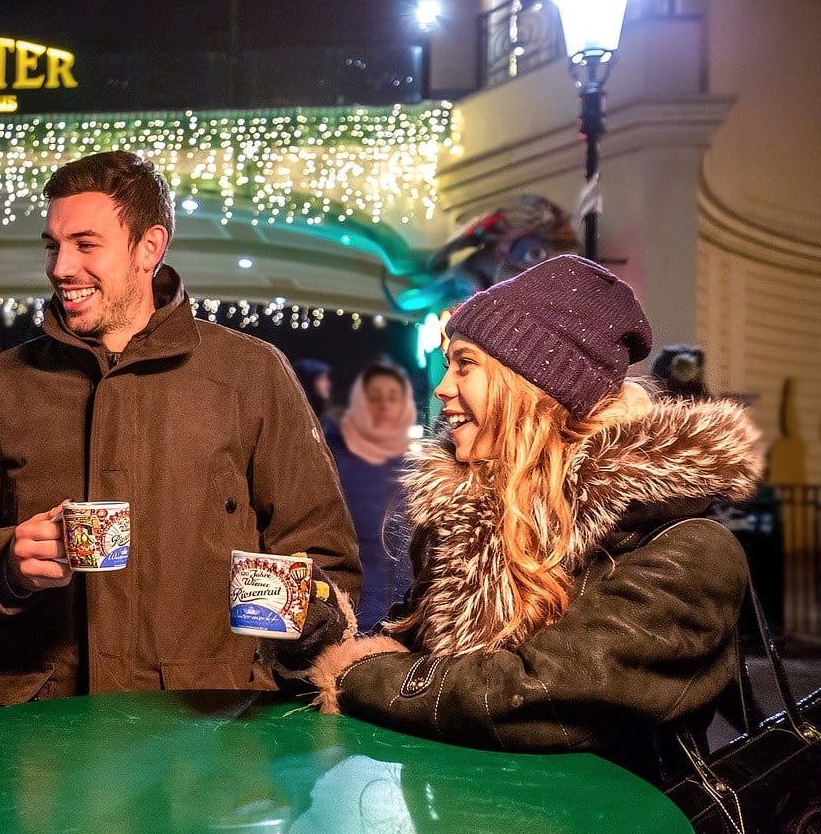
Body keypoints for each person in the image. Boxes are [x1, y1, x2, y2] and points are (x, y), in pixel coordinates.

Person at [289, 254, 762, 786]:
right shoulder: (473, 517)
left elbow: (536, 696)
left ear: (534, 386)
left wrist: (357, 673)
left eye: (465, 364)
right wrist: (322, 632)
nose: (443, 388)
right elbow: (419, 654)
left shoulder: (687, 548)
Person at [0, 150, 360, 705]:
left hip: (206, 733)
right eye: (52, 245)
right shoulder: (1, 383)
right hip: (39, 737)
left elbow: (325, 560)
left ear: (149, 247)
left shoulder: (250, 374)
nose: (61, 267)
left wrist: (297, 621)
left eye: (86, 245)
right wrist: (7, 563)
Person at [328, 361, 418, 633]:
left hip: (394, 620)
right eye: (375, 397)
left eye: (393, 397)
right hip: (340, 611)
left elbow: (408, 557)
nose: (384, 406)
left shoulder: (417, 469)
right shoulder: (331, 461)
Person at [292, 357, 337, 435]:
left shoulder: (328, 424)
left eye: (327, 379)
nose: (328, 385)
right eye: (322, 379)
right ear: (308, 382)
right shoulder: (291, 422)